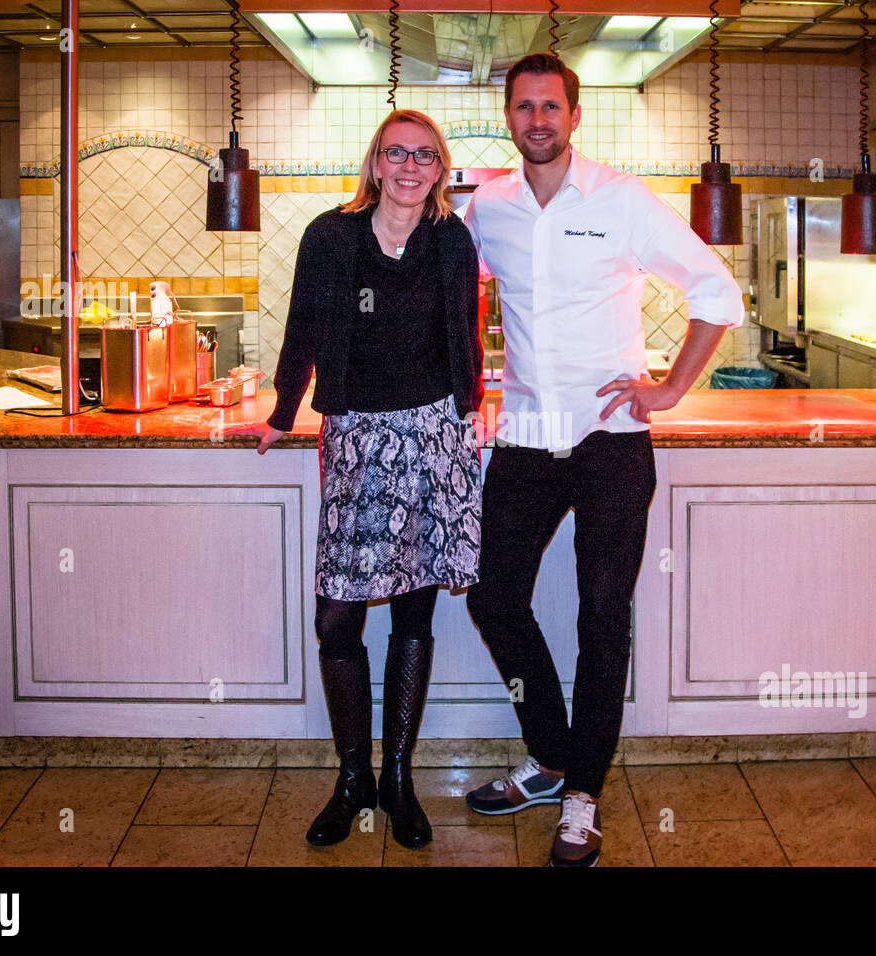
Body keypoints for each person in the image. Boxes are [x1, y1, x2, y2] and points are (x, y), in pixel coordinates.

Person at [461, 53, 744, 867]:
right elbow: (446, 286)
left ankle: (583, 792)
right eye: (524, 107)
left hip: (611, 439)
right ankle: (550, 758)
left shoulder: (621, 199)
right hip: (525, 432)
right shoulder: (492, 207)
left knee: (601, 617)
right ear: (508, 117)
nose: (538, 120)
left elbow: (715, 289)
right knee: (494, 595)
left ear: (574, 116)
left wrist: (672, 388)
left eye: (552, 107)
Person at [256, 109, 484, 850]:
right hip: (355, 435)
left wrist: (472, 412)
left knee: (414, 612)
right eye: (398, 153)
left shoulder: (451, 239)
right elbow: (305, 328)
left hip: (432, 432)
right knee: (338, 618)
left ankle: (397, 779)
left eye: (426, 155)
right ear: (377, 163)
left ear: (438, 168)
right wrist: (283, 412)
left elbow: (468, 334)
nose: (411, 166)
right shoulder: (331, 235)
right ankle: (351, 776)